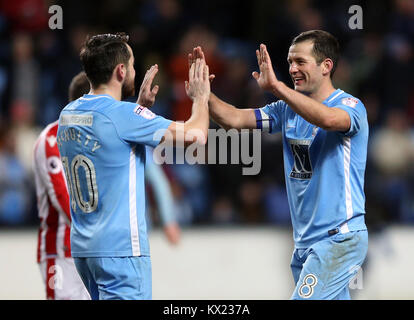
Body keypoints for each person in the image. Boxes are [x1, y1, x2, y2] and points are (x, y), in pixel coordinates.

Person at [197, 30, 369, 300]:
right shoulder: (285, 110)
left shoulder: (350, 106)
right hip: (305, 244)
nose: (292, 69)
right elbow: (233, 119)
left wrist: (277, 88)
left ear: (326, 66)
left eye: (300, 62)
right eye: (290, 62)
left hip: (338, 239)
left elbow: (328, 120)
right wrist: (204, 94)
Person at [56, 33, 210, 300]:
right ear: (121, 70)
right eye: (134, 65)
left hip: (85, 249)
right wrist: (200, 97)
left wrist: (139, 110)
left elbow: (109, 145)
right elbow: (197, 135)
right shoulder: (124, 116)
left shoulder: (67, 114)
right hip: (121, 251)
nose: (136, 72)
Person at [32, 71, 90, 300]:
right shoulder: (51, 139)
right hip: (61, 252)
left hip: (95, 251)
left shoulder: (100, 138)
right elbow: (62, 196)